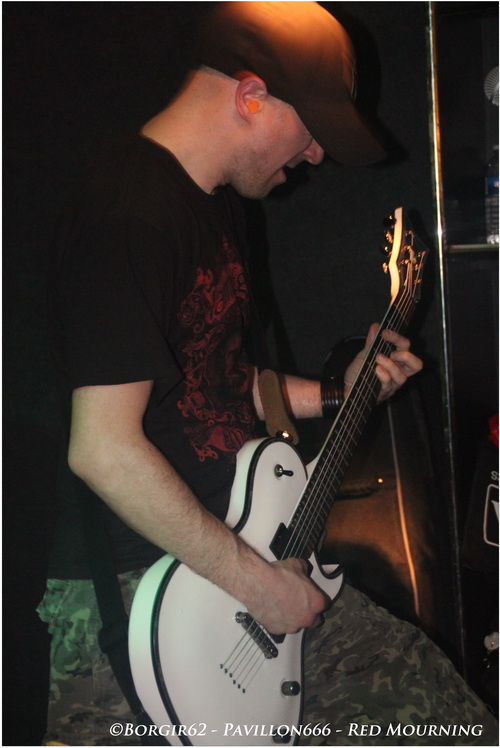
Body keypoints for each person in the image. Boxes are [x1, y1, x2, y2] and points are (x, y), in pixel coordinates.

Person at [38, 2, 498, 746]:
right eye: (312, 130)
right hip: (135, 600)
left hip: (248, 560)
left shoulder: (221, 208)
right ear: (251, 96)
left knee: (443, 716)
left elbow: (223, 380)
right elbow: (103, 449)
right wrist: (256, 584)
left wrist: (344, 391)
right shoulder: (126, 211)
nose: (315, 157)